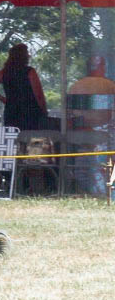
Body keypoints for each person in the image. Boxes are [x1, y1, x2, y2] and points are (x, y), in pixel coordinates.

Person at [67, 55, 115, 197]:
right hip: (102, 135)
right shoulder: (109, 86)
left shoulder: (75, 86)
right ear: (102, 67)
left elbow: (69, 116)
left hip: (78, 135)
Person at [0, 43, 48, 131]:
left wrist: (3, 99)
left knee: (13, 139)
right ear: (22, 56)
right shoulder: (29, 72)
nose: (29, 55)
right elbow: (38, 94)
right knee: (31, 140)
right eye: (27, 53)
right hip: (30, 112)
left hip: (12, 112)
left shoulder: (4, 72)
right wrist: (44, 111)